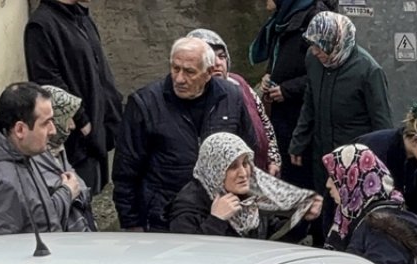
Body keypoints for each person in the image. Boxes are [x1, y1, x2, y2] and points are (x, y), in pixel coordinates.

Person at [113, 38, 259, 232]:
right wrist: (131, 223)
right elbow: (126, 170)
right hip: (161, 218)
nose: (180, 79)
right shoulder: (145, 104)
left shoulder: (231, 97)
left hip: (221, 213)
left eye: (189, 71)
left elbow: (248, 151)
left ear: (208, 73)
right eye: (175, 69)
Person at [288, 11, 393, 244]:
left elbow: (383, 124)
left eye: (320, 47)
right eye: (313, 46)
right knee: (324, 213)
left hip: (354, 165)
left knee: (349, 219)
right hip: (323, 156)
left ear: (337, 43)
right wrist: (299, 140)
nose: (316, 52)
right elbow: (310, 102)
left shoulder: (368, 71)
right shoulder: (314, 61)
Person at [0, 83, 89, 237]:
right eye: (46, 123)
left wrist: (65, 194)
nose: (53, 130)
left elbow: (40, 218)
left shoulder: (23, 155)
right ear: (20, 129)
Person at [24, 0, 123, 196]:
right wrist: (82, 120)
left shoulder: (81, 16)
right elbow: (48, 82)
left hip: (98, 126)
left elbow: (98, 69)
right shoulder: (40, 26)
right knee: (79, 197)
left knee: (95, 191)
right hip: (77, 139)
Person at [251, 0, 338, 191]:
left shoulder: (315, 18)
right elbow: (280, 60)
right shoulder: (282, 20)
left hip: (303, 121)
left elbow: (328, 71)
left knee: (303, 183)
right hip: (283, 116)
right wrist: (268, 76)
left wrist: (288, 90)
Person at [321, 144, 417, 264]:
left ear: (353, 179)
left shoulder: (382, 228)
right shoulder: (353, 216)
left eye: (334, 178)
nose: (327, 185)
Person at [166, 133, 322, 238]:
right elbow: (186, 256)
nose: (243, 173)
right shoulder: (189, 204)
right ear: (214, 169)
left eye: (246, 163)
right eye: (233, 166)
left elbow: (273, 238)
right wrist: (216, 220)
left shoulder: (250, 197)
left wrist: (302, 217)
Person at [187, 29, 282, 176]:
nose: (218, 63)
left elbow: (264, 122)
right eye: (210, 57)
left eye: (221, 56)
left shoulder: (239, 84)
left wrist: (273, 159)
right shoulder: (191, 101)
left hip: (257, 174)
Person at [39, 85, 96, 230]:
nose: (72, 126)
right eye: (67, 118)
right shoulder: (36, 160)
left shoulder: (58, 150)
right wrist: (68, 192)